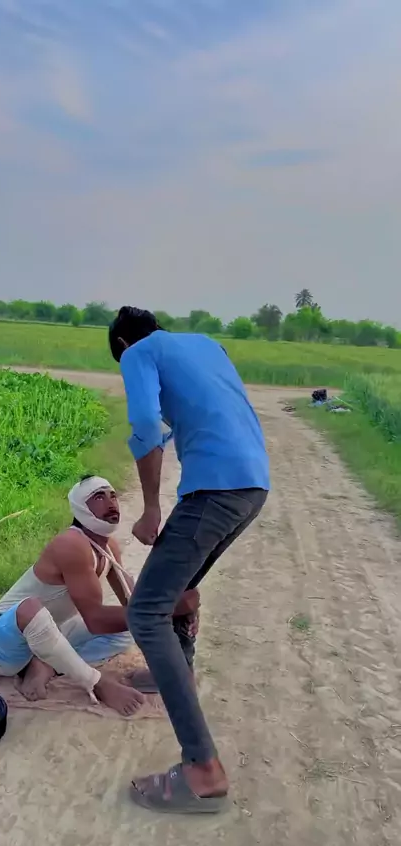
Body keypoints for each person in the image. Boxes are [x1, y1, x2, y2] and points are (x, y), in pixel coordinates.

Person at [109, 306, 270, 813]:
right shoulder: (206, 344)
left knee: (145, 611)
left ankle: (203, 770)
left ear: (123, 345)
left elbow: (144, 425)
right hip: (253, 485)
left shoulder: (138, 352)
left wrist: (151, 508)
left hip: (215, 490)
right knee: (180, 585)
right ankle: (174, 671)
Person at [0, 474, 198, 717]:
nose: (111, 503)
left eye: (113, 496)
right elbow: (96, 620)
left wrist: (172, 609)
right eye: (99, 497)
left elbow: (134, 602)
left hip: (49, 633)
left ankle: (47, 663)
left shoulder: (108, 547)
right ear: (80, 506)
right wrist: (170, 608)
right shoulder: (71, 544)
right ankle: (97, 683)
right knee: (31, 608)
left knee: (126, 629)